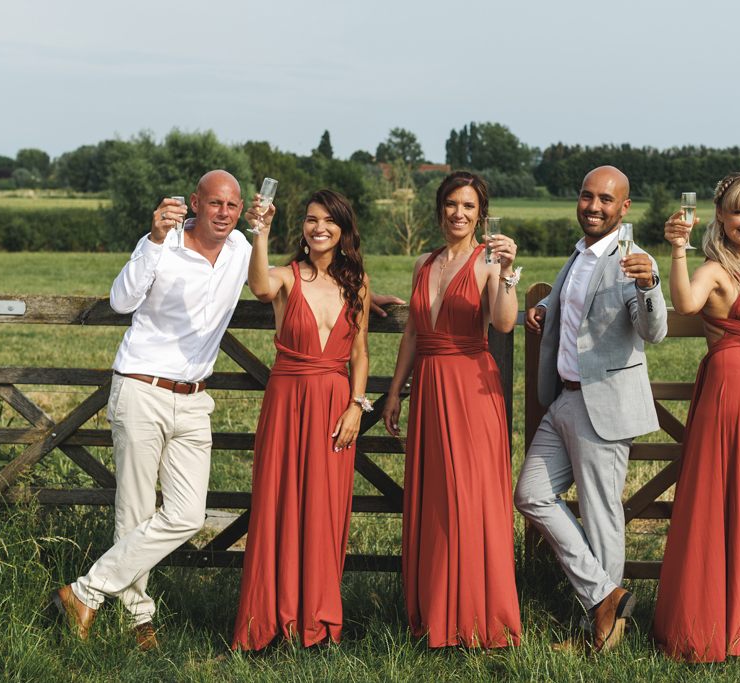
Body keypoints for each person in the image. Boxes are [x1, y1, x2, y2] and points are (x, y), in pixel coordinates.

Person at [48, 171, 402, 650]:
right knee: (133, 509)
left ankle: (85, 592)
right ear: (195, 203)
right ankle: (136, 621)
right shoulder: (162, 241)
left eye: (232, 206)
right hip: (142, 387)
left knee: (187, 514)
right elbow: (119, 300)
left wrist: (359, 294)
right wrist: (152, 240)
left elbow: (298, 283)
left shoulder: (238, 248)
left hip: (195, 397)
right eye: (214, 203)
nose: (223, 213)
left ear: (241, 211)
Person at [514, 166, 668, 653]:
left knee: (602, 519)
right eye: (587, 196)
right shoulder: (578, 253)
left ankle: (601, 636)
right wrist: (545, 310)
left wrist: (650, 285)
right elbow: (572, 309)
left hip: (601, 405)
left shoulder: (629, 259)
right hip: (562, 399)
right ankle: (606, 597)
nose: (594, 206)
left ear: (624, 208)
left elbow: (653, 331)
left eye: (606, 199)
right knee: (531, 494)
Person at [382, 170, 522, 648]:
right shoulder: (424, 261)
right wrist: (396, 390)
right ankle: (436, 607)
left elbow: (503, 323)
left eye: (468, 206)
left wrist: (506, 274)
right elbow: (414, 333)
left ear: (481, 213)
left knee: (471, 498)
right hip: (428, 390)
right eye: (450, 205)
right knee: (436, 500)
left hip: (471, 390)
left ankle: (477, 614)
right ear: (439, 209)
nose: (458, 213)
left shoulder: (487, 261)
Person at [651, 173, 740, 662]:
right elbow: (685, 303)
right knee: (720, 493)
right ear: (721, 217)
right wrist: (678, 250)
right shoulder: (714, 266)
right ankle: (707, 619)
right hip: (730, 387)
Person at [232, 190, 371, 649]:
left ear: (343, 228)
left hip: (336, 406)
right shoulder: (286, 277)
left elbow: (359, 352)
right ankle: (271, 617)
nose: (318, 228)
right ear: (303, 228)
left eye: (328, 221)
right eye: (311, 220)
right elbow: (257, 287)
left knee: (325, 508)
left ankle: (318, 617)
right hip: (288, 401)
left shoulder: (358, 284)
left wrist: (357, 405)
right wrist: (261, 232)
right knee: (279, 503)